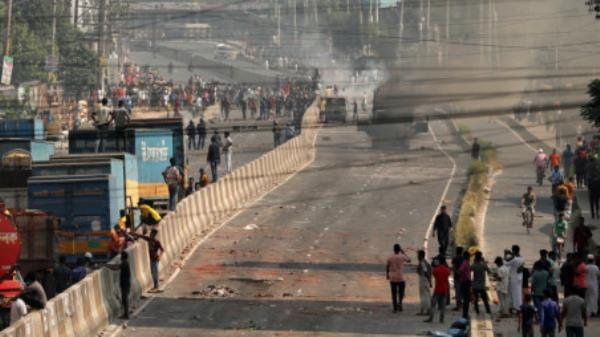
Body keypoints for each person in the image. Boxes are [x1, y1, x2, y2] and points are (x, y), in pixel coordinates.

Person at [386, 243, 411, 312]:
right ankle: (400, 303)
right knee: (401, 292)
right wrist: (403, 252)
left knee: (393, 293)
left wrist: (387, 275)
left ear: (394, 250)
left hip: (393, 278)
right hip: (401, 277)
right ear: (399, 250)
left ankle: (395, 307)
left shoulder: (390, 257)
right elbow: (409, 260)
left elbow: (387, 266)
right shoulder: (402, 256)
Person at [425, 258, 451, 323]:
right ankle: (441, 319)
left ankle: (431, 318)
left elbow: (434, 274)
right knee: (443, 305)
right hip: (445, 289)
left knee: (433, 304)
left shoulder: (435, 270)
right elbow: (448, 274)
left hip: (437, 289)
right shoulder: (447, 270)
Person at [505, 245, 525, 313]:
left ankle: (516, 308)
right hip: (520, 278)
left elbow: (506, 263)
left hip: (514, 278)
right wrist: (511, 254)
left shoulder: (514, 260)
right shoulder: (522, 258)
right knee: (518, 293)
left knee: (514, 294)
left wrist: (505, 254)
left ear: (513, 250)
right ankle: (519, 306)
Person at [416, 250, 432, 316]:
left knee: (424, 296)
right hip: (426, 280)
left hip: (423, 279)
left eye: (418, 255)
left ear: (420, 255)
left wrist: (428, 279)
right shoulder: (425, 262)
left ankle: (426, 311)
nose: (417, 256)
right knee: (426, 295)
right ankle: (425, 310)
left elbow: (425, 272)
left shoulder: (422, 262)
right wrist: (430, 281)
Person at [458, 250, 472, 319]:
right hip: (465, 282)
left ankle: (465, 313)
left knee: (466, 299)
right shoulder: (465, 263)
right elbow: (460, 270)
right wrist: (464, 276)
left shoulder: (466, 263)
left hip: (465, 282)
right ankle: (465, 314)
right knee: (466, 299)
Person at [451, 246, 465, 311]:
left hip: (457, 277)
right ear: (462, 251)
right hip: (464, 277)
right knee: (462, 291)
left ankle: (458, 306)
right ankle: (461, 304)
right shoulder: (464, 258)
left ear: (456, 251)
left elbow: (454, 267)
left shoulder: (455, 258)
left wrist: (457, 272)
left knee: (457, 291)